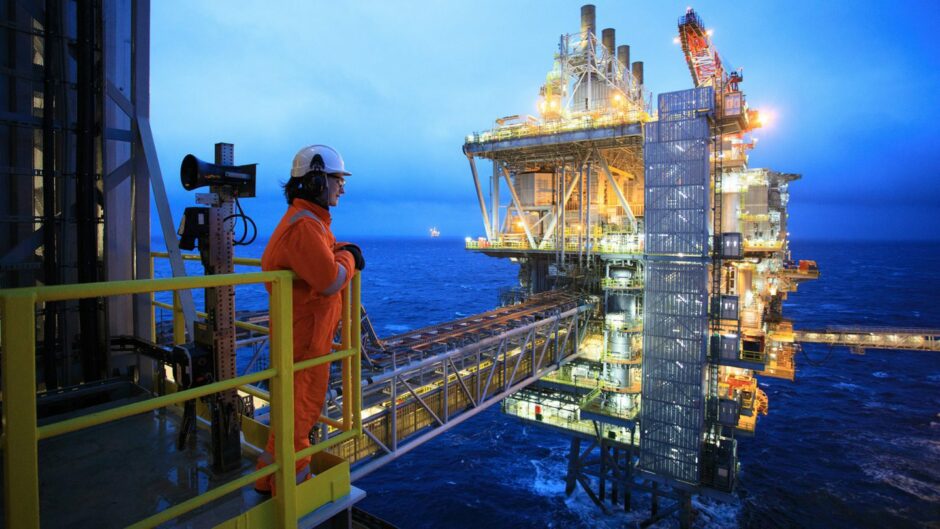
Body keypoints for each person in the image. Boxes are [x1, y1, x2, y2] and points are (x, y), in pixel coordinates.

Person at [254, 144, 365, 494]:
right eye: (336, 180)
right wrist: (349, 260)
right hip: (304, 341)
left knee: (294, 414)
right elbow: (330, 279)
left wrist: (342, 250)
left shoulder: (310, 223)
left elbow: (322, 254)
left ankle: (268, 477)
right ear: (317, 182)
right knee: (299, 415)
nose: (341, 188)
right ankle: (294, 488)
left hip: (304, 335)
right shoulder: (304, 227)